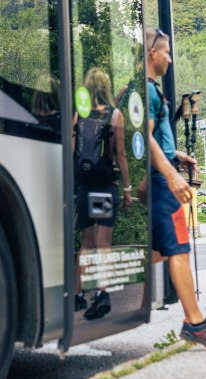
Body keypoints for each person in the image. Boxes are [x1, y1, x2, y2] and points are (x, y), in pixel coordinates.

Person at [141, 28, 206, 349]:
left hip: (157, 174)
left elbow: (152, 139)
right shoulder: (148, 92)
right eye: (167, 52)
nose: (170, 58)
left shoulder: (147, 89)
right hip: (160, 181)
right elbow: (146, 136)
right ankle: (195, 322)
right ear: (152, 53)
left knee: (155, 250)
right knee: (178, 247)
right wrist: (171, 174)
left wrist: (175, 155)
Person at [72, 68, 132, 319]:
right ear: (106, 87)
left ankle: (77, 295)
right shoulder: (115, 115)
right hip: (106, 187)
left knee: (86, 243)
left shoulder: (79, 115)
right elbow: (120, 155)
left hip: (85, 186)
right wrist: (127, 188)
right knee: (103, 245)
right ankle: (101, 293)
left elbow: (72, 152)